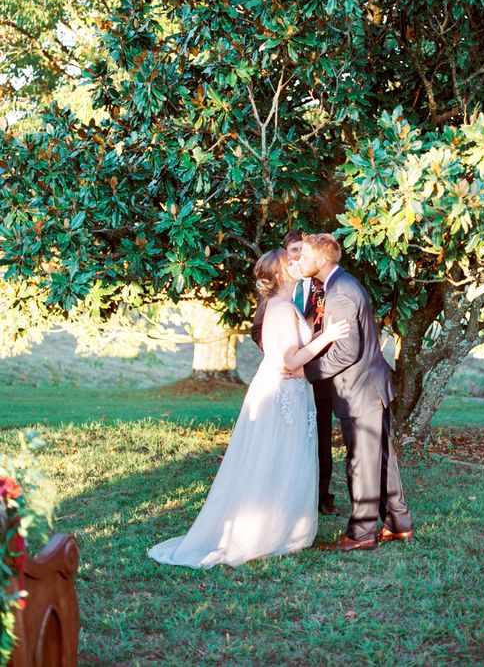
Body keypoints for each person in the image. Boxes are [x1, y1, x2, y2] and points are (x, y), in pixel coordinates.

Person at [147, 248, 349, 568]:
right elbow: (290, 360)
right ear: (281, 274)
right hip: (280, 392)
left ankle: (287, 527)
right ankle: (266, 533)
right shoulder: (281, 309)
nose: (297, 263)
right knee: (275, 457)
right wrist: (328, 338)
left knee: (289, 456)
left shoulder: (286, 306)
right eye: (290, 261)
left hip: (294, 390)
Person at [300, 233, 413, 552]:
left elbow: (346, 352)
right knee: (381, 459)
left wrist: (305, 372)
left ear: (322, 259)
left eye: (305, 256)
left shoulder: (340, 293)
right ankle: (398, 523)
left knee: (361, 462)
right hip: (368, 388)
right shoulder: (340, 285)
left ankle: (362, 533)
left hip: (360, 391)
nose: (300, 261)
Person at [252, 230, 339, 516]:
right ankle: (277, 512)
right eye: (293, 254)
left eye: (303, 253)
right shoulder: (278, 304)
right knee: (280, 448)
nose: (298, 259)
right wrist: (279, 354)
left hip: (316, 377)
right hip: (285, 380)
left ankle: (315, 498)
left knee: (314, 443)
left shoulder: (324, 287)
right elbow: (266, 336)